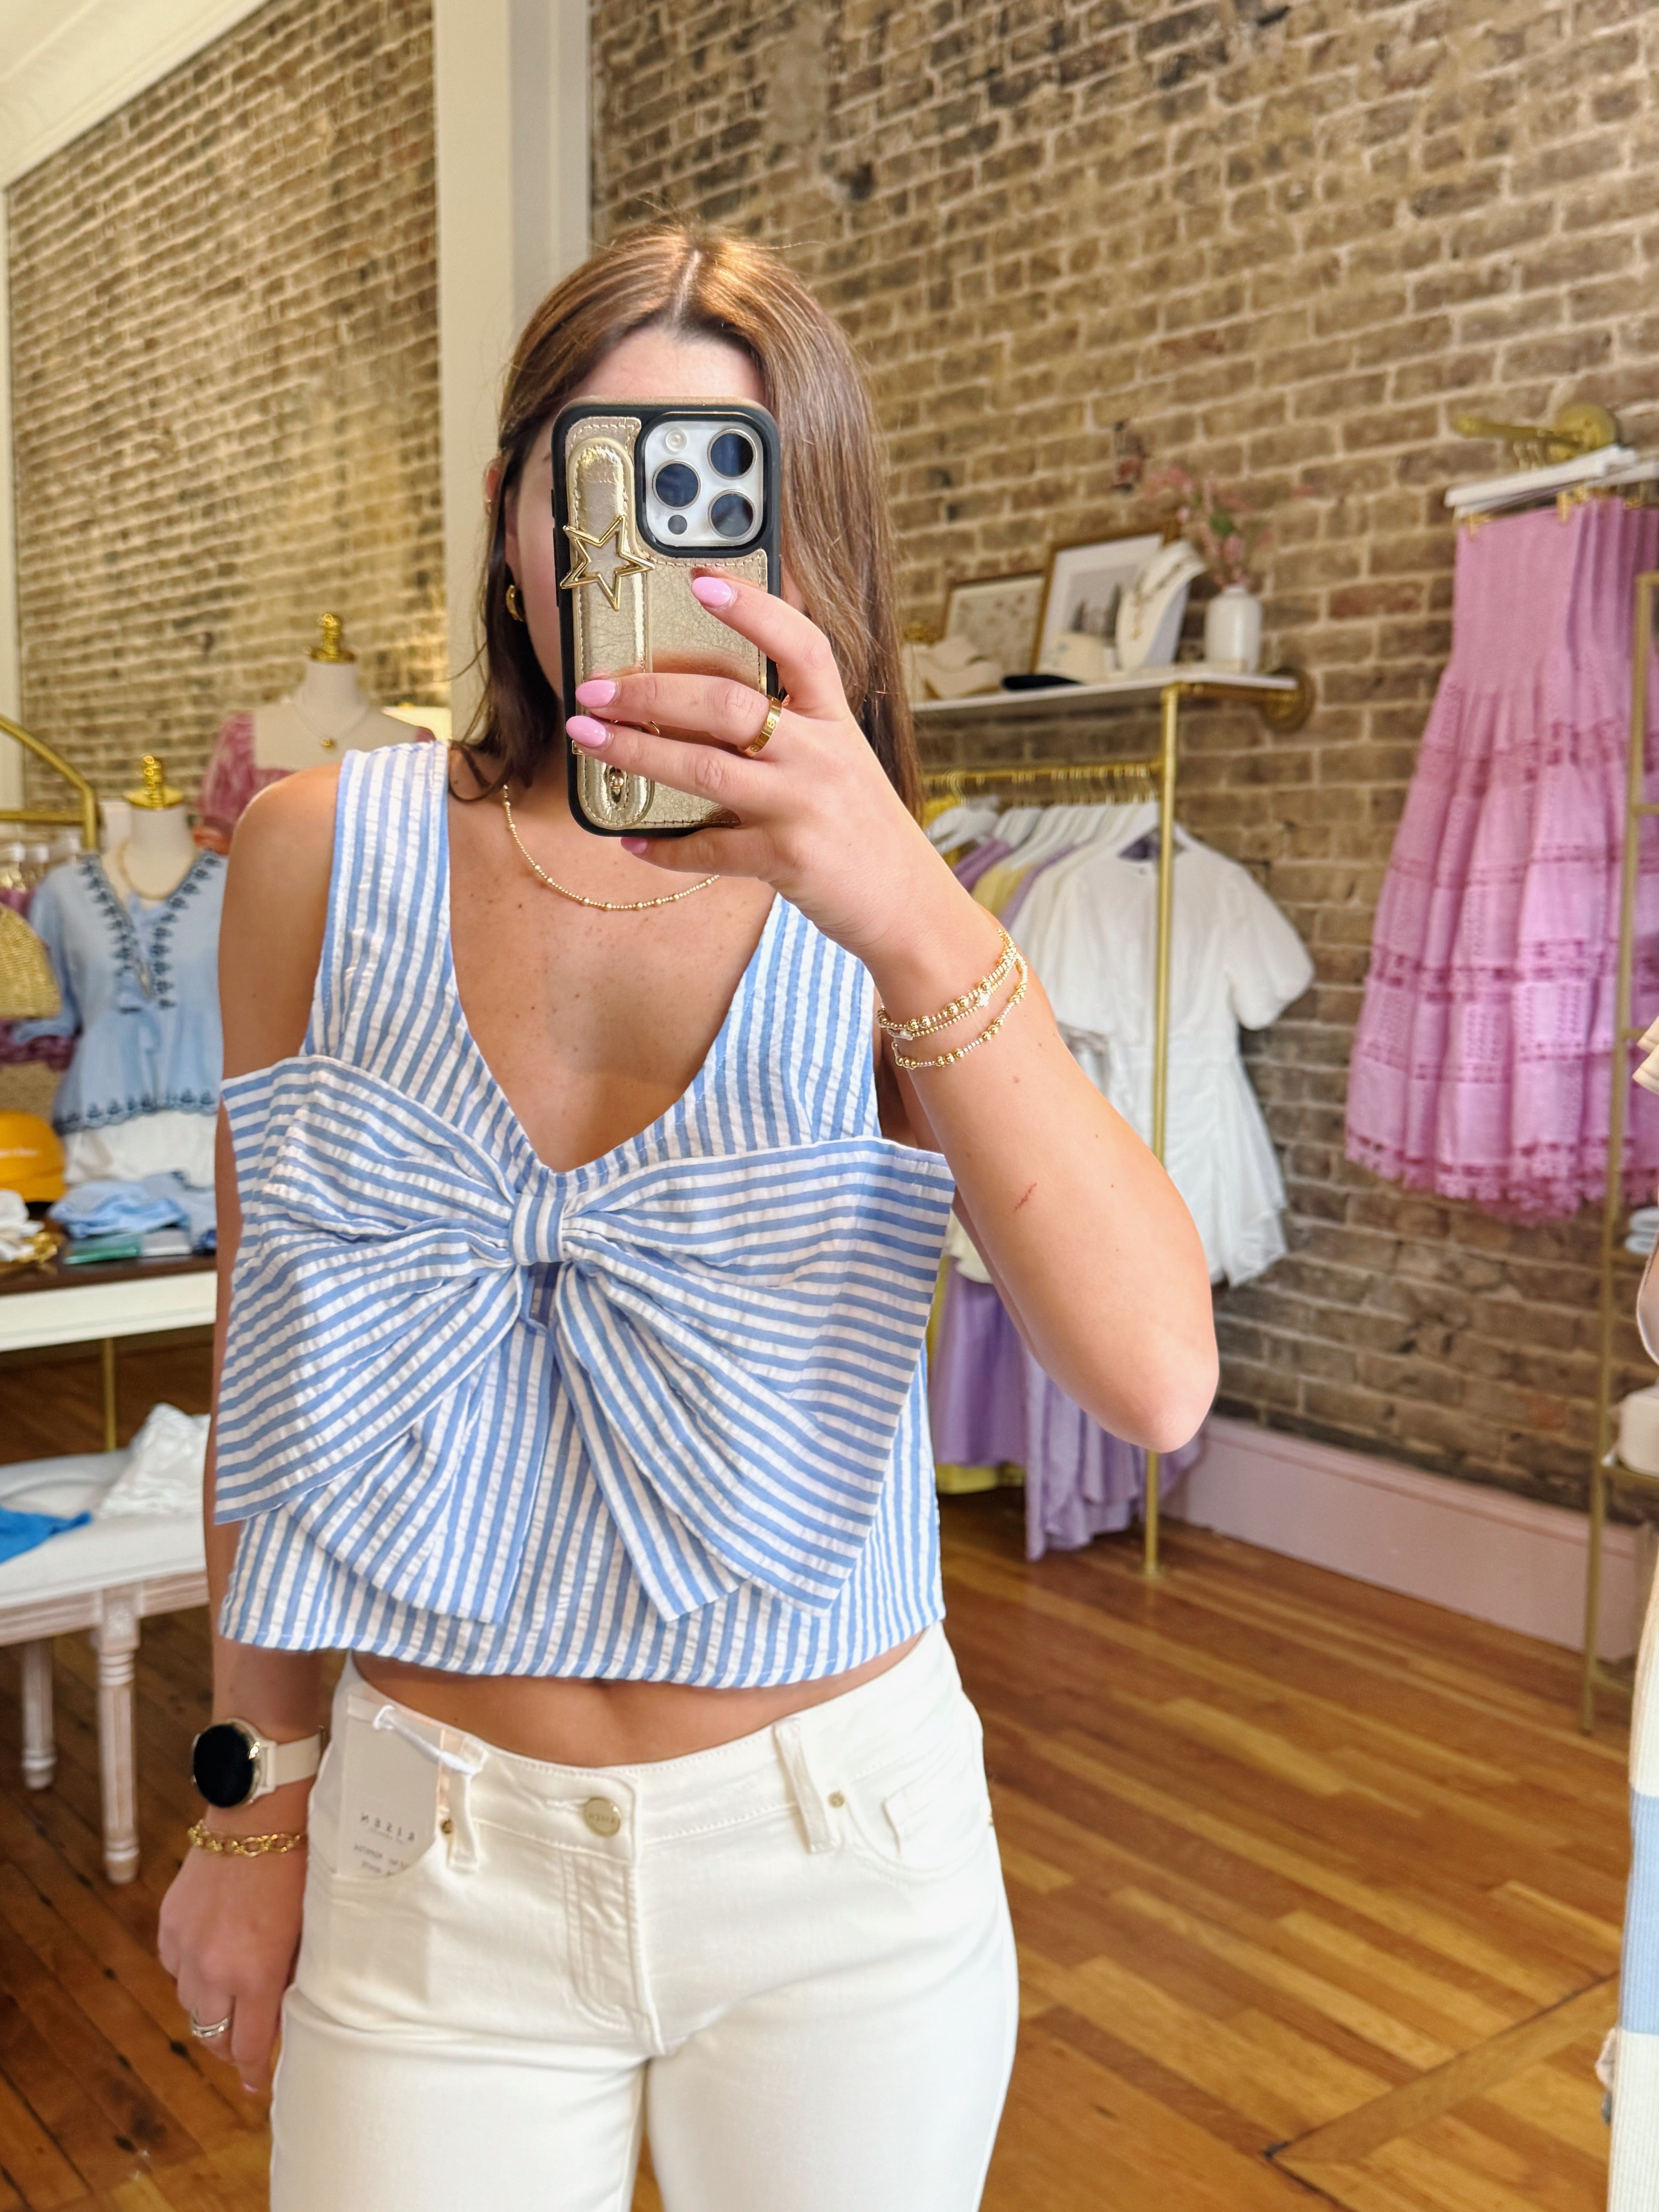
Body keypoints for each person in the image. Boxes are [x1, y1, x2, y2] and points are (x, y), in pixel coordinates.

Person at [158, 222, 1217, 2212]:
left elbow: (1157, 1372)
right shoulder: (314, 861)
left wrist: (897, 897)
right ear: (508, 519)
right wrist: (247, 1810)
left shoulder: (898, 906)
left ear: (804, 551)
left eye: (720, 495)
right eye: (600, 478)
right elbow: (267, 1371)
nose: (657, 552)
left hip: (846, 1867)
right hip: (427, 1853)